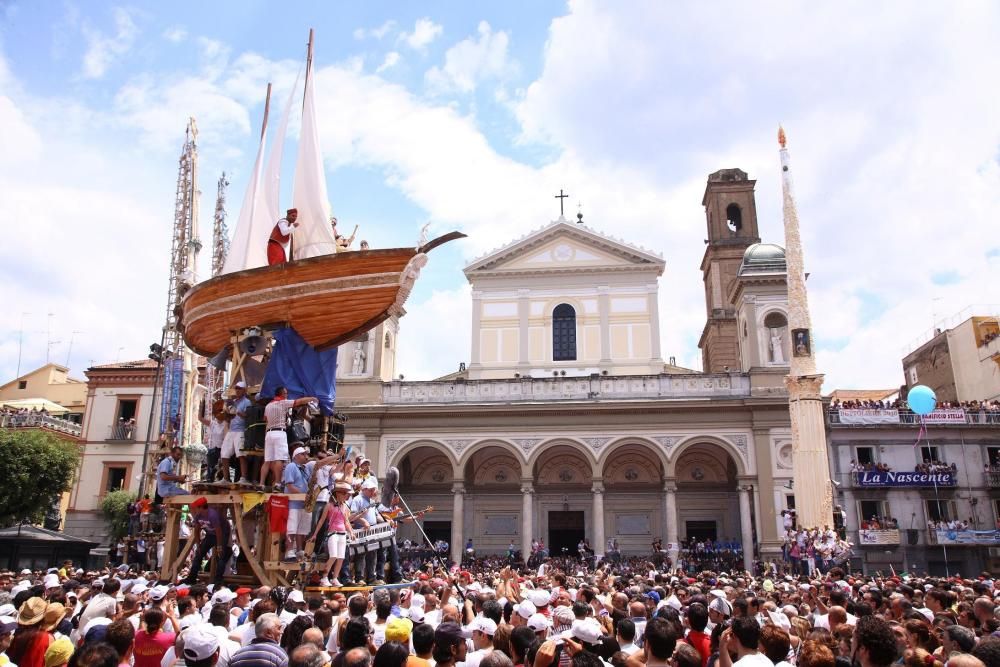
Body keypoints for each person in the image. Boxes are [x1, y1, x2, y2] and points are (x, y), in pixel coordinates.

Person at [260, 388, 316, 490]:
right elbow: (299, 401)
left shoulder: (268, 405)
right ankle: (277, 483)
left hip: (269, 433)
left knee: (267, 460)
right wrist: (311, 398)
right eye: (286, 393)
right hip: (279, 432)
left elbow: (265, 419)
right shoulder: (283, 403)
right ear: (282, 394)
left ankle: (261, 484)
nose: (287, 395)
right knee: (279, 459)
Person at [313, 482, 354, 586]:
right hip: (333, 533)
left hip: (342, 533)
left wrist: (351, 532)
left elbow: (346, 522)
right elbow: (321, 521)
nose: (347, 496)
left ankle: (335, 578)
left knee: (341, 557)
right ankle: (324, 577)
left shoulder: (345, 507)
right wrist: (315, 534)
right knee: (333, 556)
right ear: (338, 494)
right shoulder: (329, 506)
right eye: (344, 493)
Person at [184, 497, 233, 585]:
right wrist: (198, 544)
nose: (193, 510)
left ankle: (218, 580)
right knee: (198, 555)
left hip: (222, 534)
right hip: (210, 534)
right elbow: (197, 530)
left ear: (201, 507)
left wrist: (219, 546)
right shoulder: (198, 515)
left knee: (221, 556)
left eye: (195, 508)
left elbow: (219, 531)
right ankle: (191, 578)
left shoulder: (212, 515)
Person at [283, 447, 313, 561]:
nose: (306, 456)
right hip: (294, 503)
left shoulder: (304, 469)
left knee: (302, 529)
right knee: (291, 528)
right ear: (296, 456)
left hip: (303, 504)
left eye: (306, 454)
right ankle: (289, 551)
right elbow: (289, 486)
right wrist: (304, 495)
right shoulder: (291, 466)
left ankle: (299, 550)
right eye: (303, 454)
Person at [220, 383, 252, 485]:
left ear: (244, 390)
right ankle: (226, 478)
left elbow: (249, 417)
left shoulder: (247, 402)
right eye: (236, 388)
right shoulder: (233, 402)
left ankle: (243, 478)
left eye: (239, 389)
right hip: (232, 430)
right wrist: (226, 415)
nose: (237, 390)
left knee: (241, 455)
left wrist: (238, 412)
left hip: (241, 430)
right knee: (224, 454)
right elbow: (229, 418)